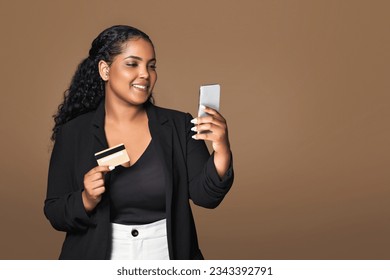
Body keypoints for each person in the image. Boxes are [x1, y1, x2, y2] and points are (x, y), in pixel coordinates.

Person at [44, 25, 234, 260]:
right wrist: (86, 199)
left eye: (151, 65)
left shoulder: (179, 125)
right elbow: (55, 211)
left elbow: (206, 198)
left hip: (167, 256)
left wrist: (222, 149)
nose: (145, 74)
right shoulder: (73, 133)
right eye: (132, 64)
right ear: (105, 70)